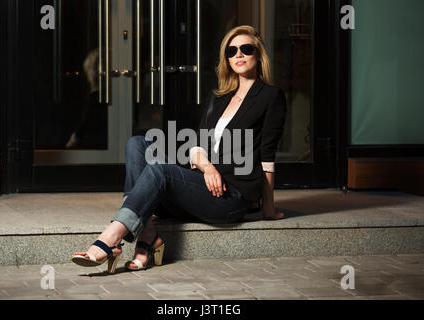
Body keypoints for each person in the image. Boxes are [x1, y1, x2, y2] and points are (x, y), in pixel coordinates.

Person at [71, 25, 287, 274]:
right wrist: (207, 168)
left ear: (258, 55)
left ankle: (112, 238)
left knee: (160, 171)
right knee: (137, 144)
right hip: (202, 184)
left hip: (230, 198)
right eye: (232, 50)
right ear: (226, 58)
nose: (238, 54)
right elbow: (196, 143)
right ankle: (147, 236)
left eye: (246, 49)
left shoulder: (271, 97)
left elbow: (267, 155)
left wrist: (268, 208)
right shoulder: (220, 96)